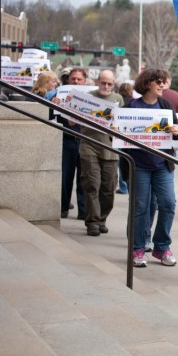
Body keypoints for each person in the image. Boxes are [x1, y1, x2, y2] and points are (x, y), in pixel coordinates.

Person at [125, 69, 178, 268]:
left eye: (163, 82)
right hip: (139, 165)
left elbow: (177, 136)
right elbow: (117, 137)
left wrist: (177, 131)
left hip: (162, 165)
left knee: (168, 204)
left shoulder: (165, 105)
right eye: (158, 82)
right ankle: (137, 248)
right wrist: (114, 131)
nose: (162, 86)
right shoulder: (132, 106)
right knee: (140, 208)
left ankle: (161, 247)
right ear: (147, 83)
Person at [79, 69, 125, 236]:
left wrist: (117, 127)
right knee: (92, 185)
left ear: (113, 85)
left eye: (109, 84)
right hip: (89, 146)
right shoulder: (87, 97)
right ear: (97, 81)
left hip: (110, 149)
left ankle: (102, 219)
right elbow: (71, 121)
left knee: (108, 188)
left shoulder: (118, 99)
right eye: (103, 82)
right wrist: (68, 104)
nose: (106, 86)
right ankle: (92, 222)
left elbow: (124, 124)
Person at [53, 67, 88, 220]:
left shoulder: (91, 97)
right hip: (67, 139)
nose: (75, 81)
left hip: (85, 140)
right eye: (73, 78)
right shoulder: (58, 95)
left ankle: (83, 210)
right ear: (68, 80)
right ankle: (63, 207)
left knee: (84, 178)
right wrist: (54, 105)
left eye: (79, 79)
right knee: (65, 177)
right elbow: (51, 116)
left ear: (84, 81)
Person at [116, 82, 134, 195]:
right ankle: (129, 184)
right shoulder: (135, 102)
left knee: (122, 161)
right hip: (132, 137)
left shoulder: (118, 102)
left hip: (121, 136)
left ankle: (124, 187)